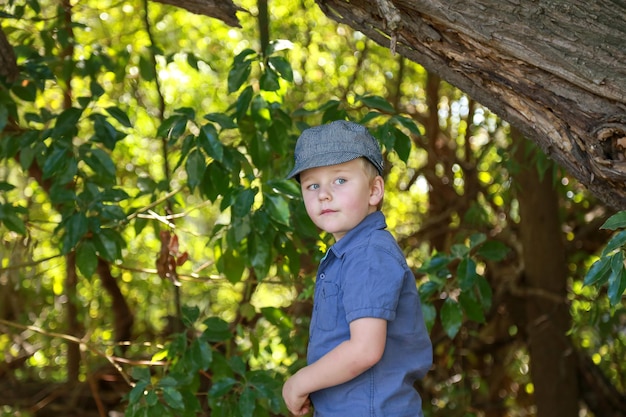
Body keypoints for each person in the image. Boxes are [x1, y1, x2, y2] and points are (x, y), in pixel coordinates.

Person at [282, 120, 433, 416]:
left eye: (340, 180)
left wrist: (300, 382)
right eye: (312, 185)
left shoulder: (368, 254)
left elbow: (365, 349)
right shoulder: (351, 253)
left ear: (374, 191)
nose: (324, 194)